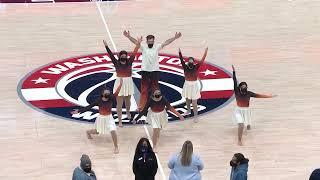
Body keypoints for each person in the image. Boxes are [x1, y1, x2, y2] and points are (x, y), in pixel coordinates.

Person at [123, 30, 182, 110]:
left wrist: (174, 38)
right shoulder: (143, 47)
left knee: (156, 90)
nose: (150, 42)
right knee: (144, 90)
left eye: (152, 41)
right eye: (149, 41)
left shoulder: (157, 47)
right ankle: (141, 107)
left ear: (153, 41)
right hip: (145, 71)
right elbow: (135, 42)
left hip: (155, 71)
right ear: (147, 41)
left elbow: (166, 42)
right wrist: (128, 36)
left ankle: (158, 105)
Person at [71, 80, 123, 154]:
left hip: (109, 118)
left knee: (113, 130)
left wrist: (121, 84)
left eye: (109, 92)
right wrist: (79, 111)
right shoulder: (98, 101)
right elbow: (88, 107)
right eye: (106, 92)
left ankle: (116, 147)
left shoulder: (111, 98)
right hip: (101, 118)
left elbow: (117, 92)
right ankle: (88, 132)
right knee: (97, 132)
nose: (108, 93)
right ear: (103, 94)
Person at [232, 65, 277, 146]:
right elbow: (234, 81)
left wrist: (270, 96)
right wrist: (234, 72)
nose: (244, 87)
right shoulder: (237, 92)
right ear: (240, 88)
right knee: (241, 125)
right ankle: (239, 140)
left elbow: (260, 95)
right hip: (238, 110)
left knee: (247, 122)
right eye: (243, 86)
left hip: (247, 110)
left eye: (245, 86)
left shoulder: (249, 93)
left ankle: (248, 124)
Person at [103, 37, 142, 127]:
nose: (124, 56)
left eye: (125, 55)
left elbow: (135, 52)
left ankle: (128, 111)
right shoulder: (116, 63)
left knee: (128, 102)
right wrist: (106, 46)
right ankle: (120, 121)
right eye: (122, 55)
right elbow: (111, 55)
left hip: (128, 82)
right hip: (119, 82)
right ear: (120, 56)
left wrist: (138, 44)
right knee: (119, 104)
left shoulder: (130, 62)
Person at [178, 47, 208, 122]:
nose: (191, 61)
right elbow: (181, 60)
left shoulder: (196, 66)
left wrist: (205, 52)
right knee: (187, 99)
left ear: (193, 62)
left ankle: (195, 116)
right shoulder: (185, 66)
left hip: (194, 85)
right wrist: (179, 53)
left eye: (192, 60)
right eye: (189, 60)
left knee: (194, 102)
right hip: (187, 84)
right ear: (188, 62)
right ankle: (188, 111)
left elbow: (202, 60)